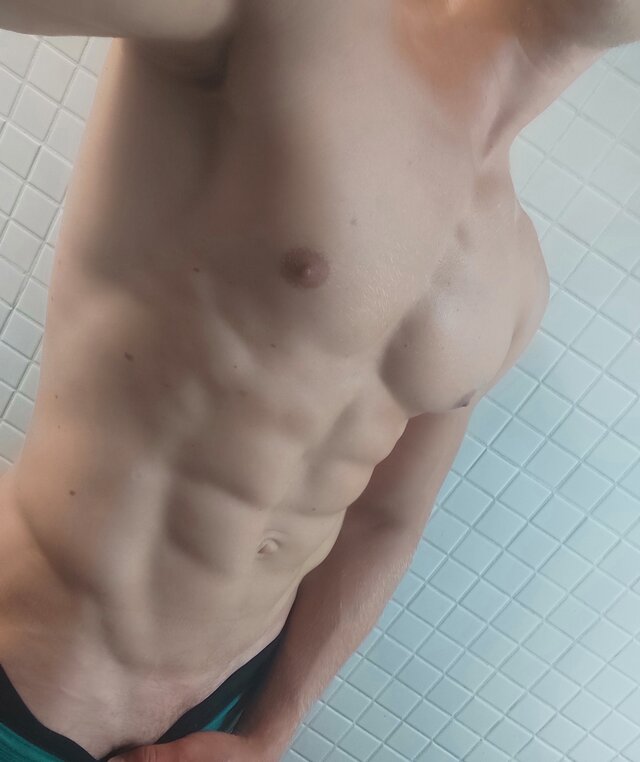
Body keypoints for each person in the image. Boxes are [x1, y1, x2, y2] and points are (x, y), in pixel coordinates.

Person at [0, 1, 637, 760]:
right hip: (31, 681)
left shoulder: (518, 282)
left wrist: (269, 735)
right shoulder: (288, 20)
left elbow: (384, 519)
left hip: (222, 715)